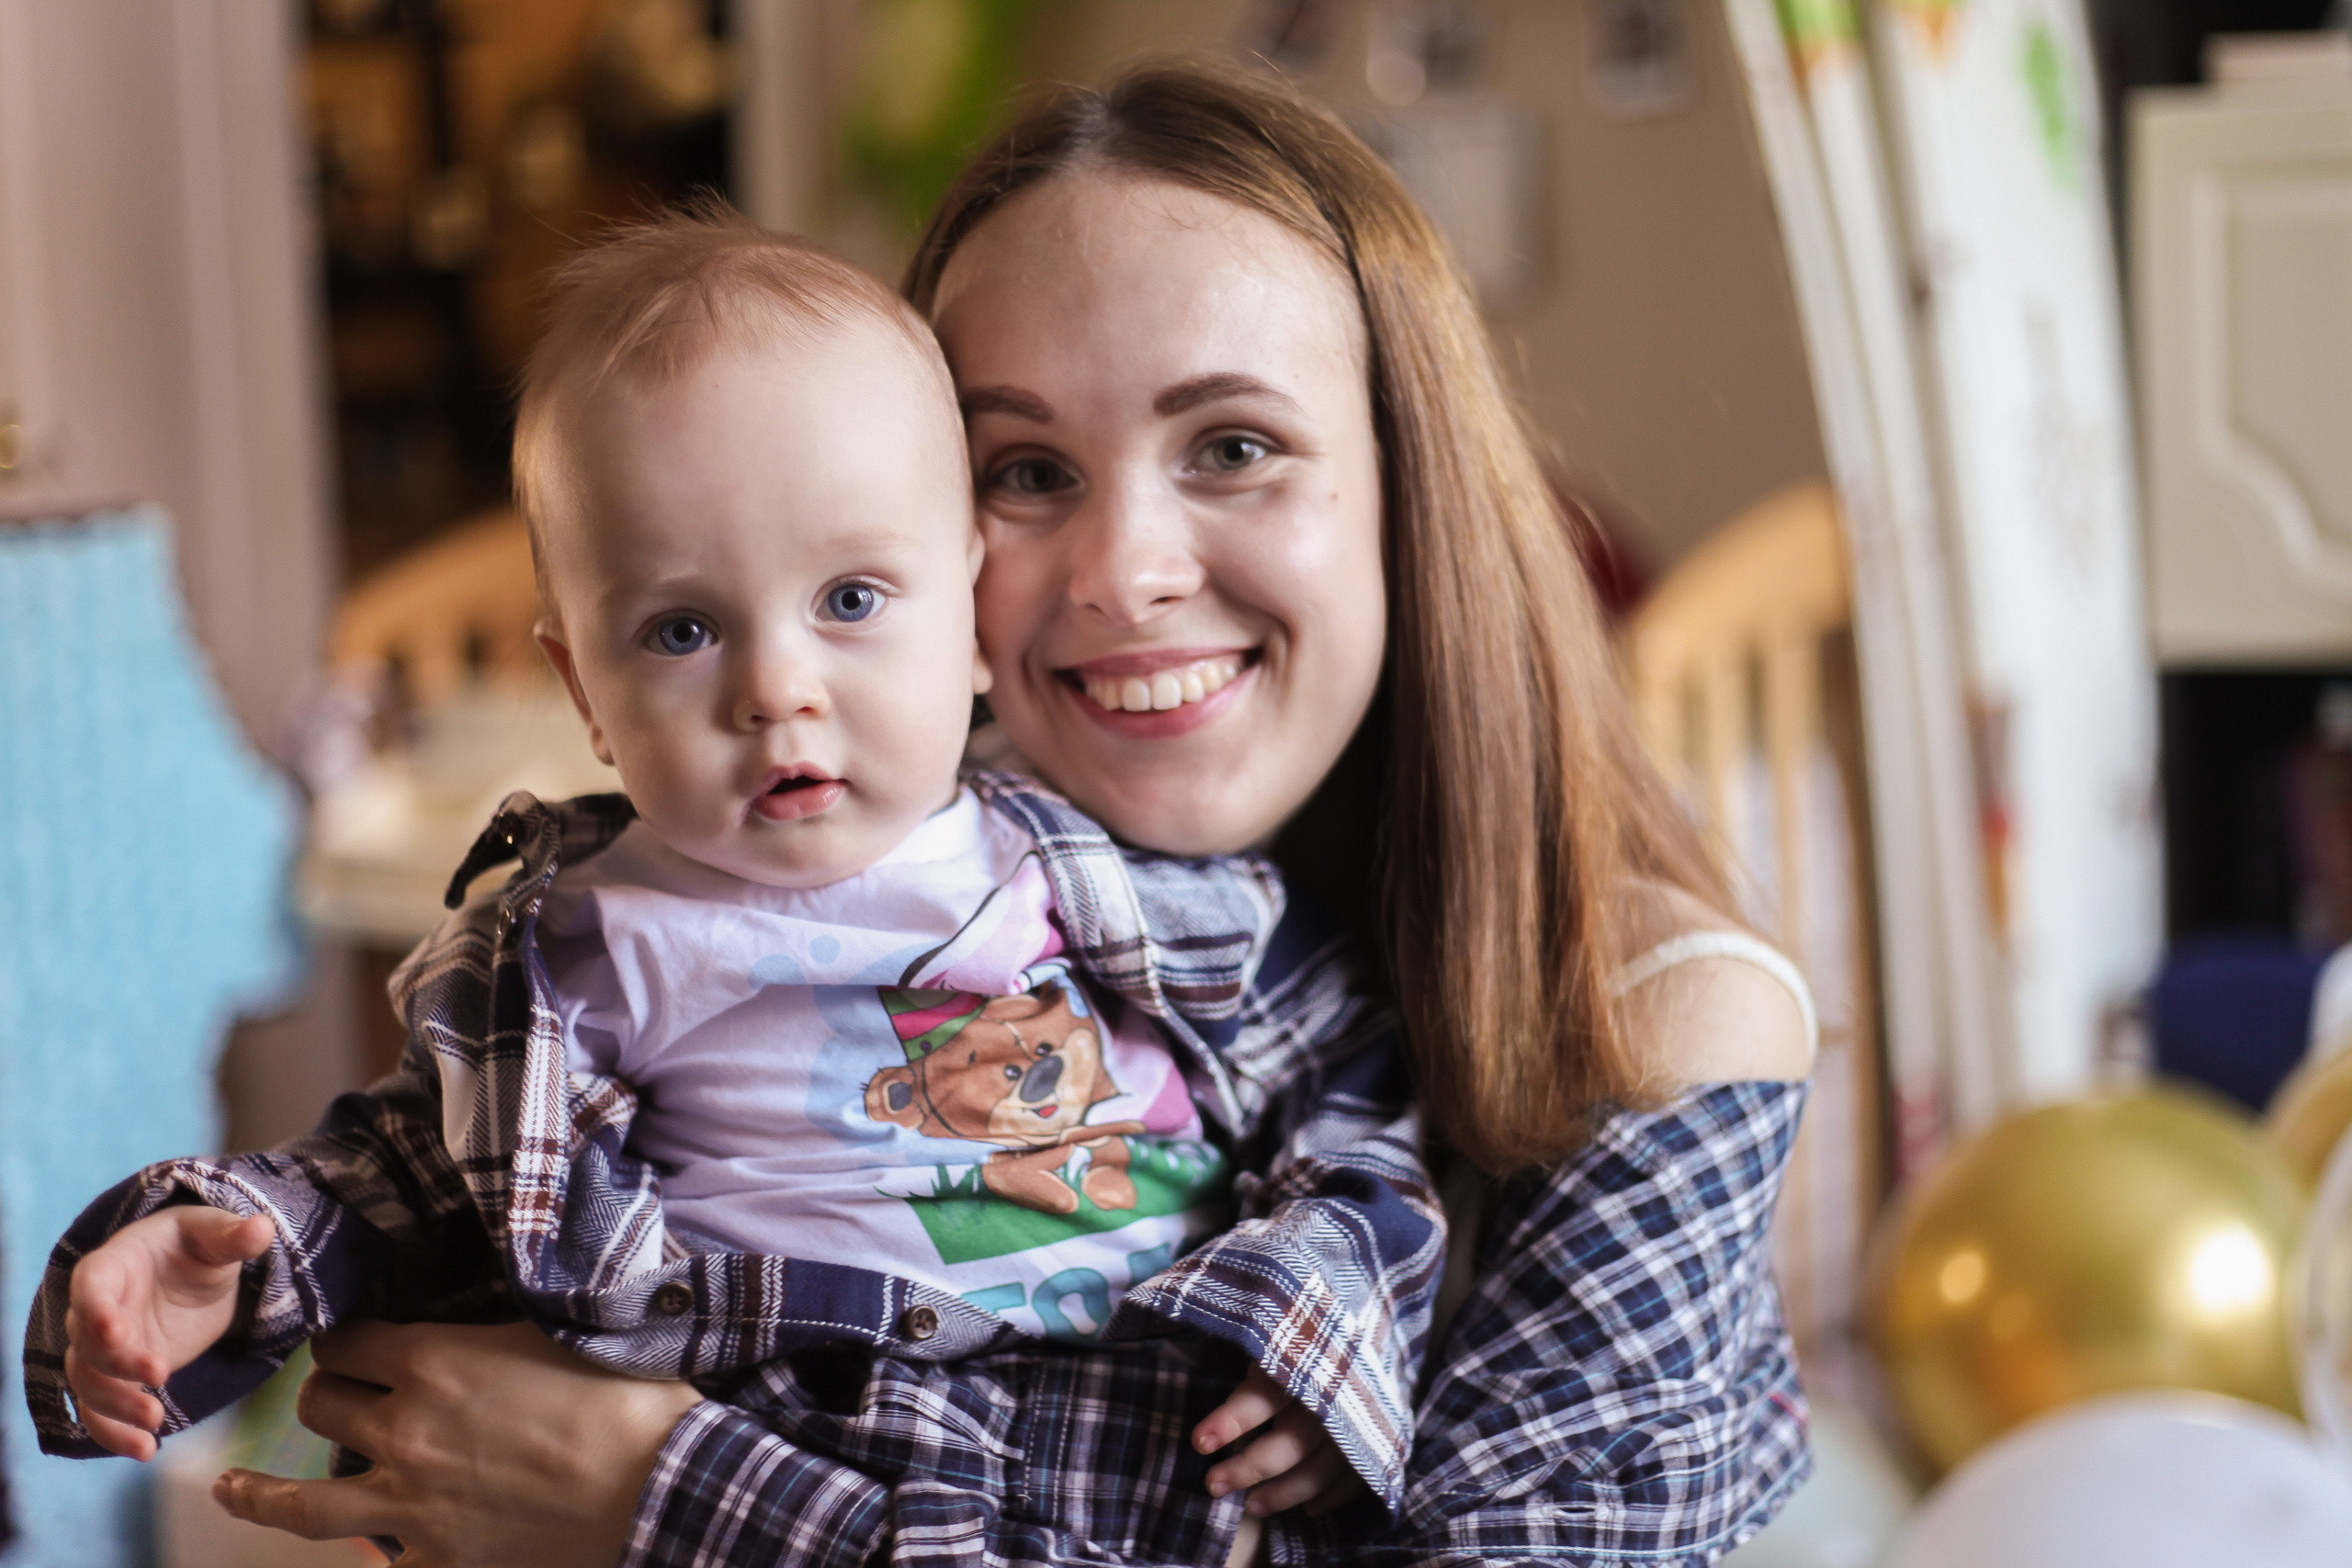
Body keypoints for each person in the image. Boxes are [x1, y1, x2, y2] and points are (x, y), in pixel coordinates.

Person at [201, 59, 1814, 1567]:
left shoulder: (1660, 1025)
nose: (1123, 573)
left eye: (1234, 446)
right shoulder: (771, 908)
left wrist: (649, 1493)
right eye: (1027, 470)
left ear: (1411, 491)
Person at [25, 206, 1444, 1565]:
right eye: (682, 630)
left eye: (850, 601)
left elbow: (1343, 1087)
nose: (777, 689)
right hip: (805, 1447)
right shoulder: (579, 951)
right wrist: (236, 1250)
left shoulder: (1096, 873)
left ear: (968, 610)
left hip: (1146, 1437)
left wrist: (1320, 1314)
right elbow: (403, 1174)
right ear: (584, 686)